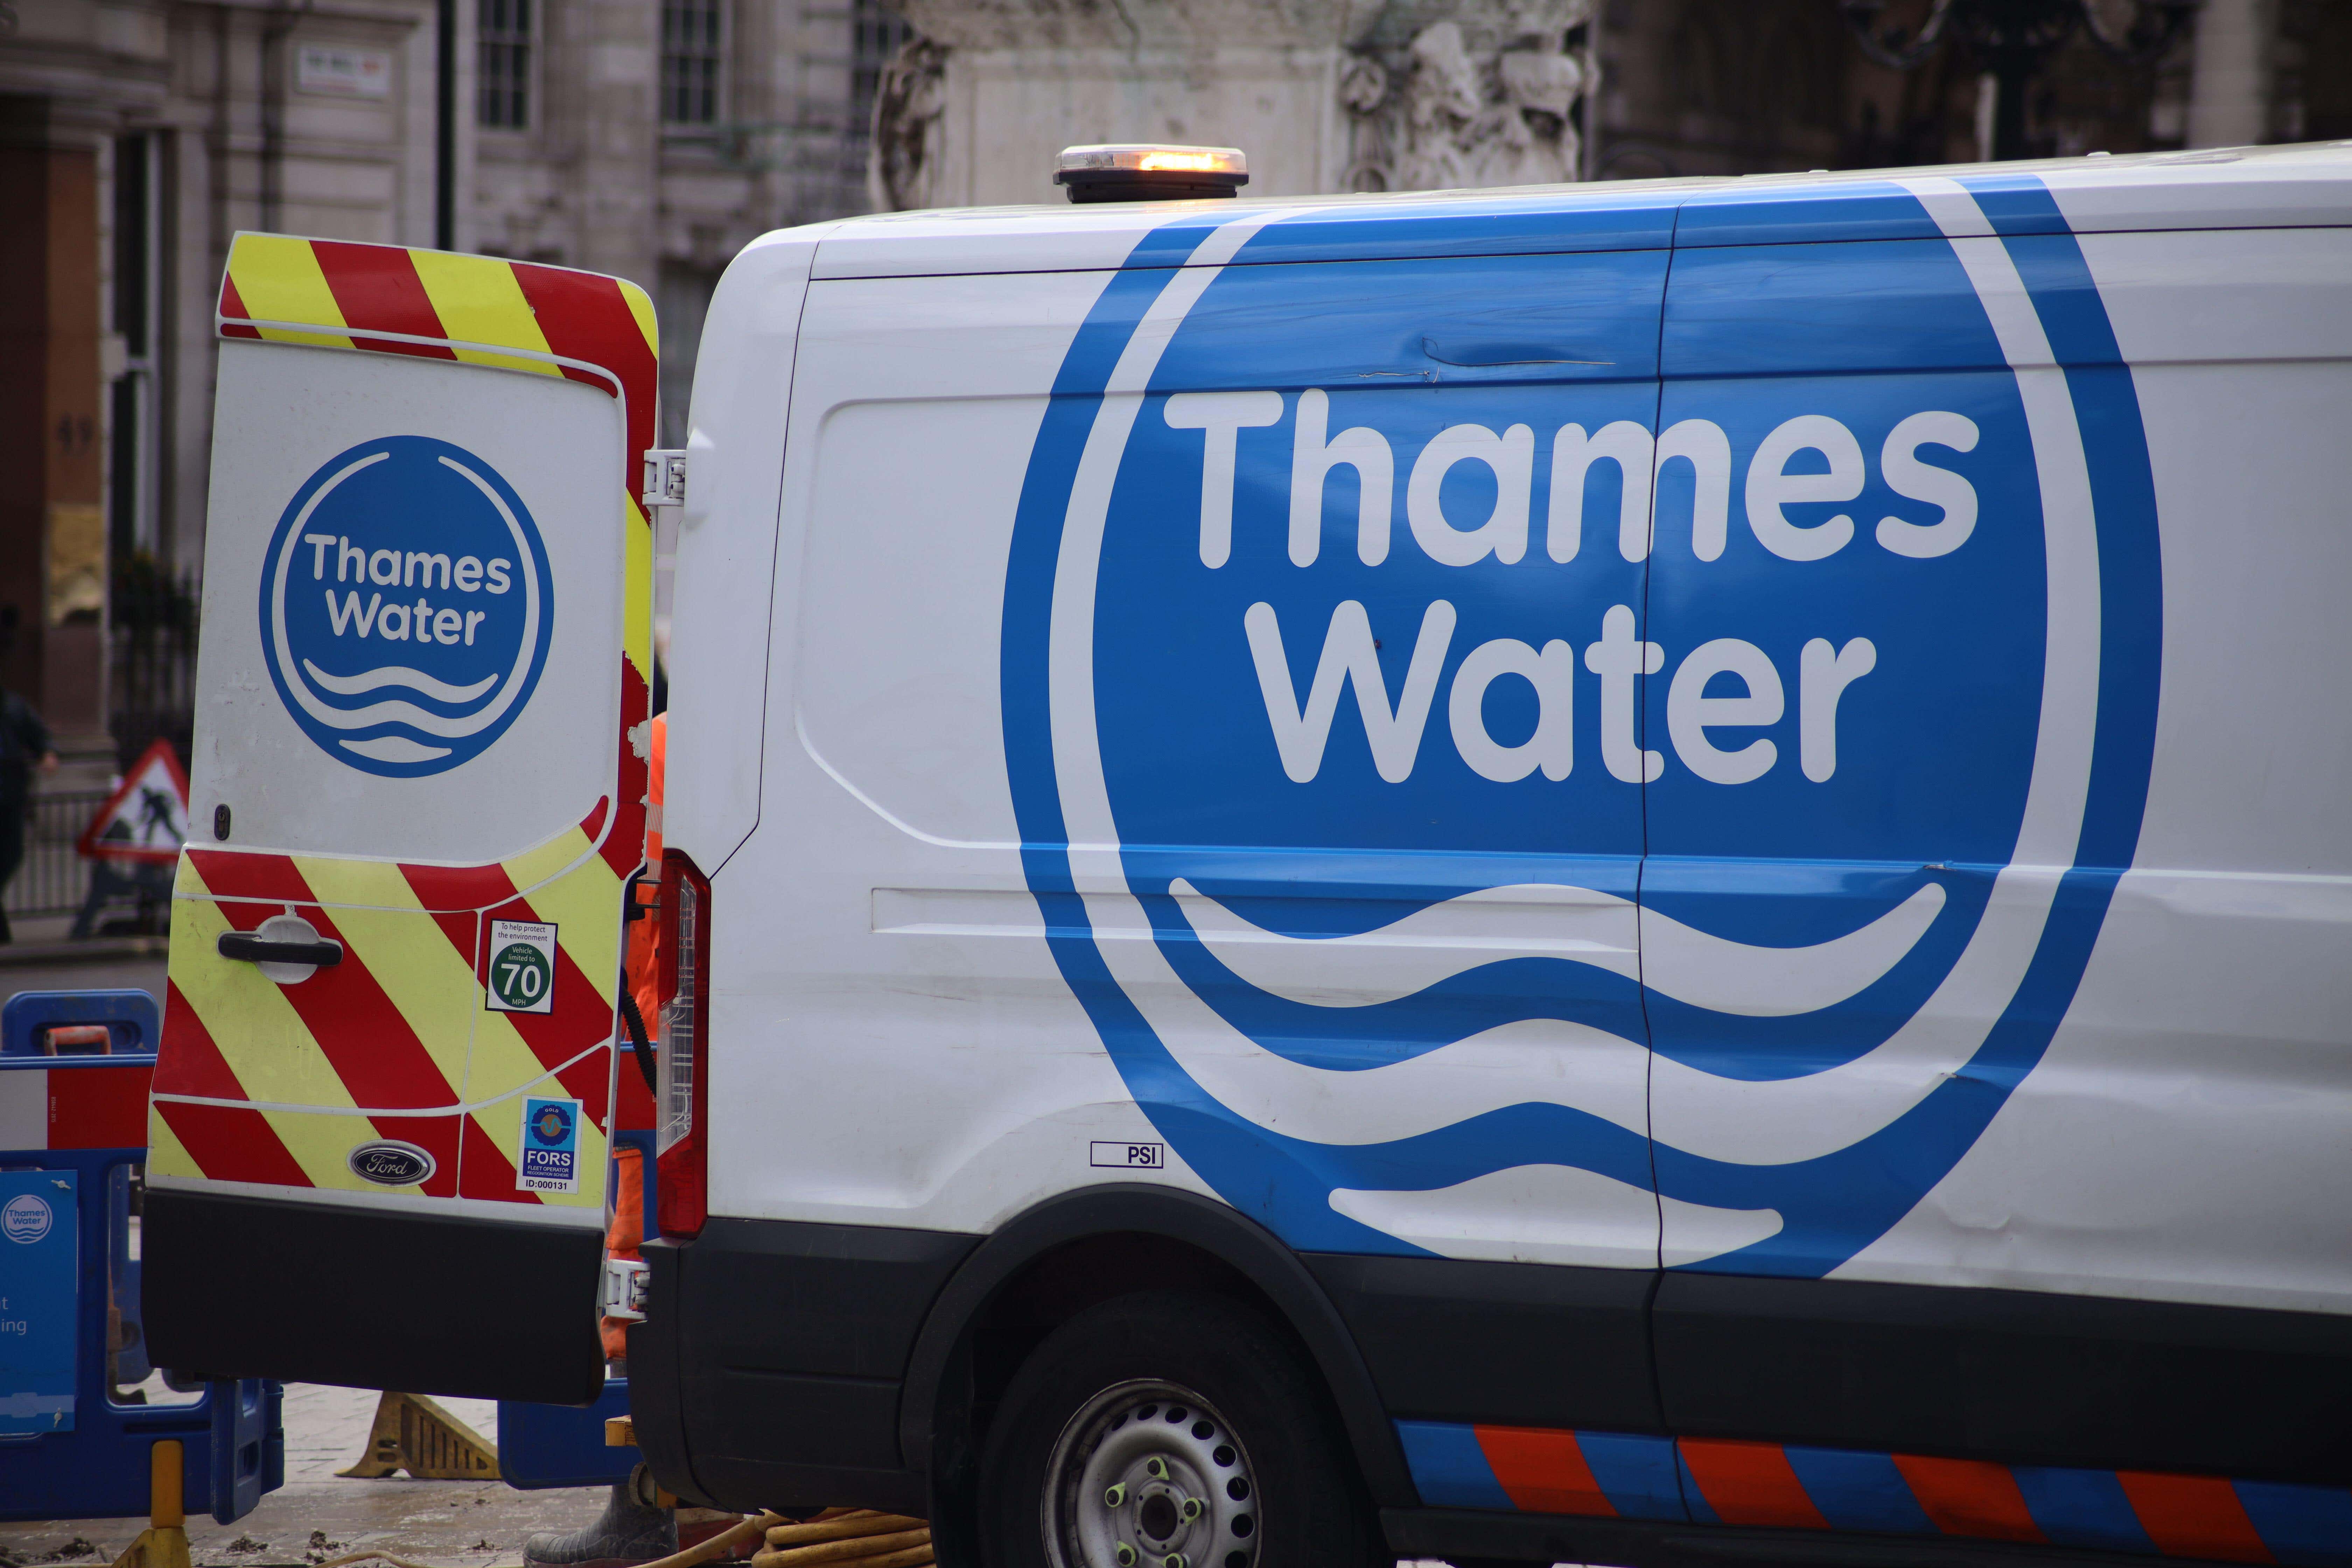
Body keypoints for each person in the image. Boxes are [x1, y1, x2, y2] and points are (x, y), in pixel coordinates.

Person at [0, 684, 58, 944]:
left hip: (11, 795)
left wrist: (47, 753)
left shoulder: (13, 706)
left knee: (13, 853)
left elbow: (38, 735)